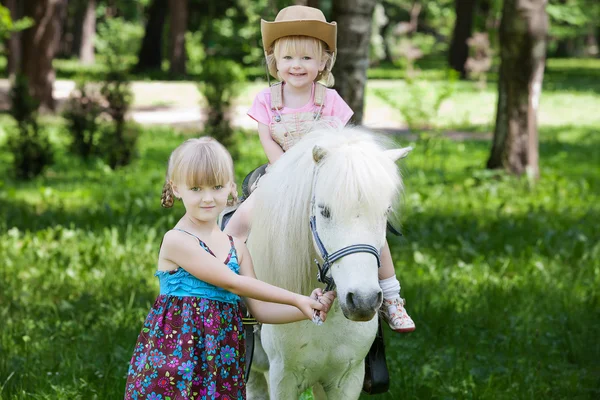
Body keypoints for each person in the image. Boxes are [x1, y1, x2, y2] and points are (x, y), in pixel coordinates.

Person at [224, 5, 415, 334]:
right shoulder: (267, 100)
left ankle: (393, 297)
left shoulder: (330, 100)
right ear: (275, 61)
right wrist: (284, 173)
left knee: (370, 226)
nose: (296, 66)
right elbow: (268, 140)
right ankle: (231, 291)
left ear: (323, 62)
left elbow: (340, 144)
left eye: (307, 58)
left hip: (327, 178)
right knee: (238, 223)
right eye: (288, 58)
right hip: (281, 175)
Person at [124, 137, 335, 400]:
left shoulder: (237, 247)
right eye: (196, 189)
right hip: (177, 359)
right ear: (176, 189)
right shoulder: (177, 240)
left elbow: (260, 310)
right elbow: (233, 283)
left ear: (231, 188)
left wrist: (305, 308)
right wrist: (296, 297)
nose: (208, 198)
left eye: (217, 186)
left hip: (221, 361)